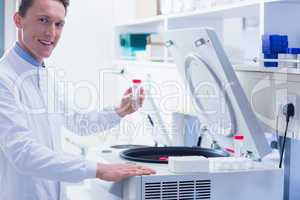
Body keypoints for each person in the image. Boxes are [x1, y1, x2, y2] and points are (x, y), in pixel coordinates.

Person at [0, 0, 155, 199]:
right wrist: (99, 170)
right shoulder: (4, 78)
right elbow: (23, 153)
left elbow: (76, 121)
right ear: (18, 20)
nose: (51, 33)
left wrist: (120, 111)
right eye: (43, 20)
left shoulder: (42, 74)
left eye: (59, 24)